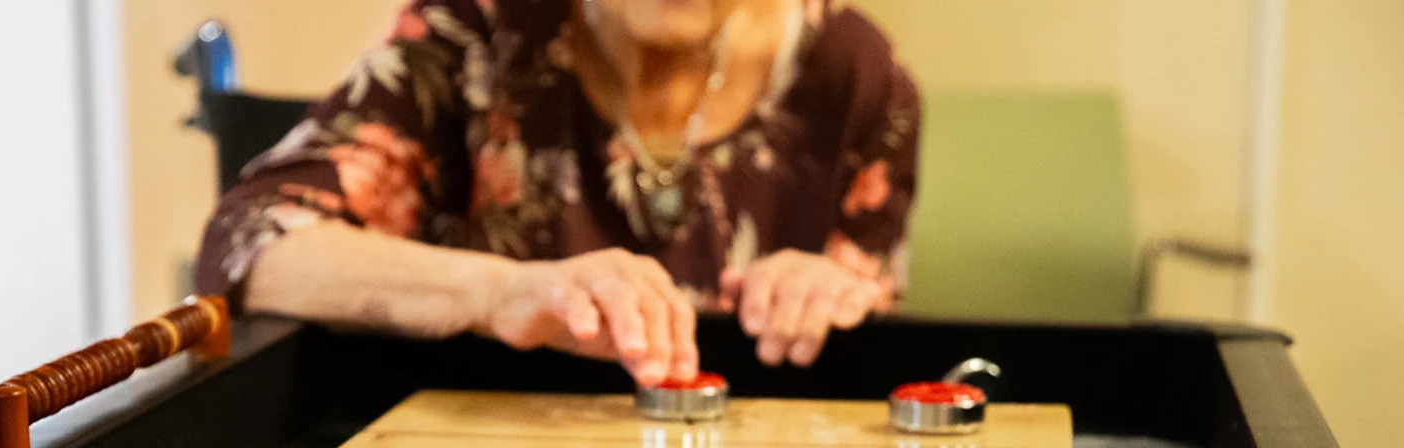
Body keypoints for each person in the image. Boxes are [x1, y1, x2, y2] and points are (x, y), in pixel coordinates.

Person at [194, 0, 919, 387]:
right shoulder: (477, 28)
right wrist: (497, 292)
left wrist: (828, 295)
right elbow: (251, 243)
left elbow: (870, 319)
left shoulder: (856, 72)